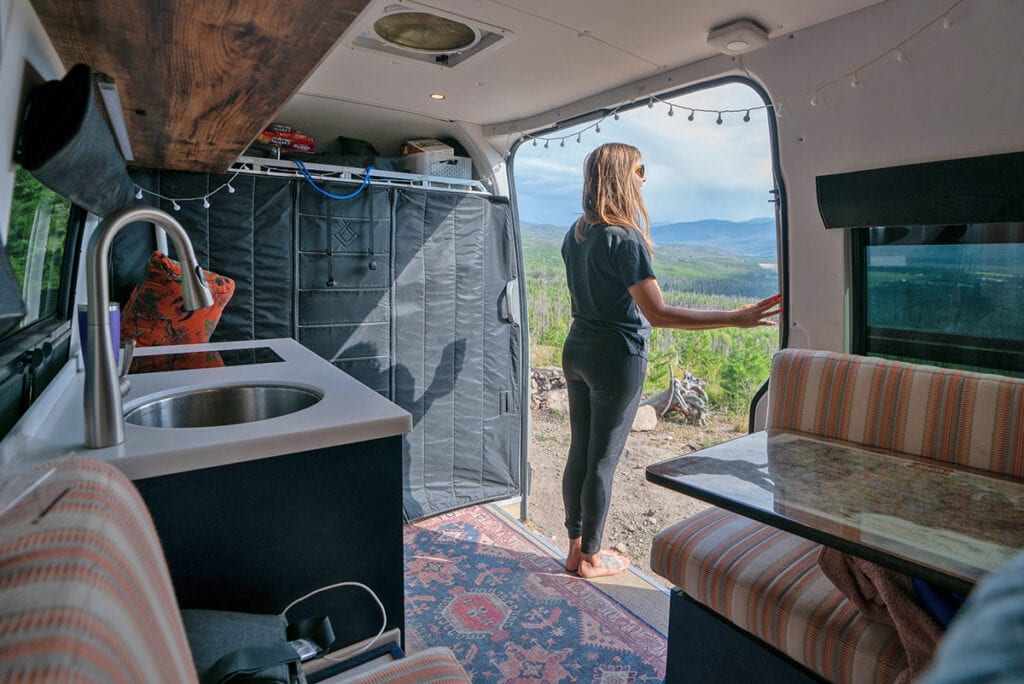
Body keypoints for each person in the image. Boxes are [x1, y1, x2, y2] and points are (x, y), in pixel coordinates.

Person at [560, 142, 783, 579]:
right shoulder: (624, 238)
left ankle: (574, 548)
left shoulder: (578, 232)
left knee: (580, 452)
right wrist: (734, 319)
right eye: (641, 169)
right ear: (625, 176)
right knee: (602, 461)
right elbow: (657, 313)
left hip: (577, 349)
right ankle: (590, 557)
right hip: (614, 359)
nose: (646, 178)